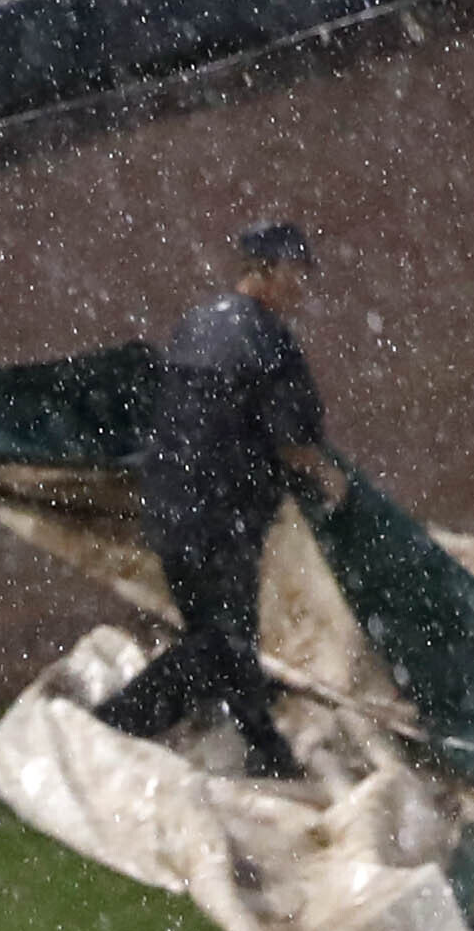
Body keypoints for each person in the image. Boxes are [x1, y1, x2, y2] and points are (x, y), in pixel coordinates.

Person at [99, 219, 342, 782]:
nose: (301, 286)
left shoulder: (194, 326)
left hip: (170, 509)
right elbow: (294, 443)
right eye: (295, 272)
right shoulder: (269, 341)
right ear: (266, 272)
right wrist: (329, 476)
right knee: (220, 644)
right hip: (220, 517)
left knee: (218, 638)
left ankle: (265, 748)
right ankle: (113, 724)